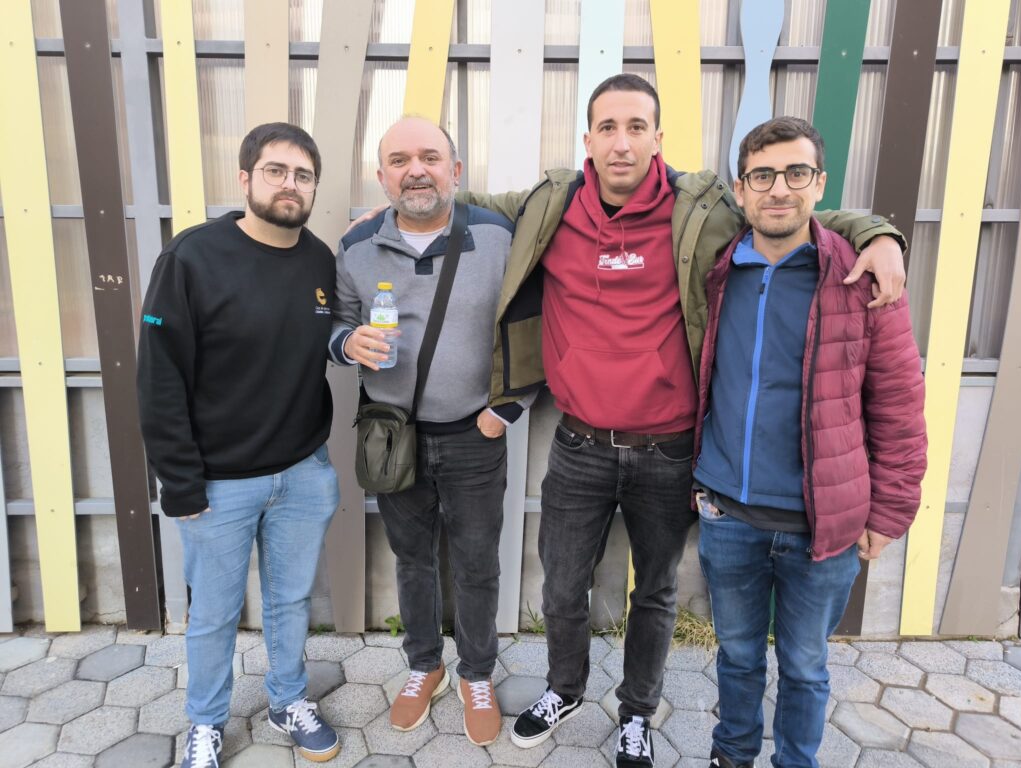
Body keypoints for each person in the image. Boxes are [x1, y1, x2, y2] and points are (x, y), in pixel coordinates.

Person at [458, 75, 910, 768]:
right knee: (561, 585)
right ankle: (564, 688)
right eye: (608, 128)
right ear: (587, 139)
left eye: (637, 127)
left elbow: (790, 210)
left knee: (656, 590)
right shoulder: (552, 203)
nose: (622, 142)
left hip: (668, 451)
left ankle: (638, 713)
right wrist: (389, 213)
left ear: (658, 138)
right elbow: (460, 203)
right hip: (578, 443)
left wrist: (878, 233)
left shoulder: (702, 207)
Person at [693, 117, 926, 768]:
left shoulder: (862, 279)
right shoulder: (715, 272)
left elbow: (900, 403)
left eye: (796, 173)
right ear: (741, 188)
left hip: (822, 526)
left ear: (819, 183)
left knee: (803, 665)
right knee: (737, 655)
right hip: (728, 515)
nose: (779, 189)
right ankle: (731, 754)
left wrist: (889, 511)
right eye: (763, 175)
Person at [137, 123, 342, 767]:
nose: (290, 185)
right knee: (214, 614)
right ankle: (205, 723)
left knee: (290, 601)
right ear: (246, 178)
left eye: (303, 175)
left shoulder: (319, 260)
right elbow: (159, 377)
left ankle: (288, 700)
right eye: (276, 171)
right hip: (217, 482)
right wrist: (179, 482)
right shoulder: (191, 258)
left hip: (302, 471)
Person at [330, 116, 533, 747]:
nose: (415, 170)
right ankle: (425, 665)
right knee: (411, 560)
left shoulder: (497, 236)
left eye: (429, 157)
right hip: (394, 437)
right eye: (399, 160)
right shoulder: (357, 246)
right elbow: (335, 322)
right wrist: (346, 343)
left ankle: (477, 672)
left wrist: (507, 410)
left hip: (476, 435)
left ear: (456, 170)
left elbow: (533, 325)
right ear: (382, 175)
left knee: (477, 563)